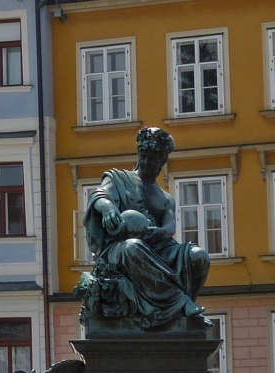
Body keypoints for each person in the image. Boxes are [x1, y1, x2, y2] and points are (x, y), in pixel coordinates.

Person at [76, 127, 211, 331]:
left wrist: (159, 232)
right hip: (119, 248)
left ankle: (184, 318)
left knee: (198, 256)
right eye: (144, 156)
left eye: (153, 158)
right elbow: (99, 196)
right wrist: (109, 208)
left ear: (162, 161)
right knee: (133, 247)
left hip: (158, 246)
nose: (147, 162)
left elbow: (170, 225)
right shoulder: (118, 178)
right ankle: (180, 302)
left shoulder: (165, 198)